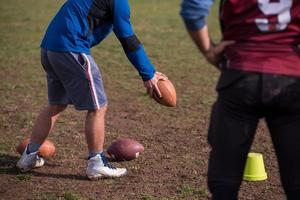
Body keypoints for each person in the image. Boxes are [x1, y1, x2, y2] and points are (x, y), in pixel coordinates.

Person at [16, 0, 167, 180]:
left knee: (56, 105)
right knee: (97, 107)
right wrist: (148, 74)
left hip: (49, 49)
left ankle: (28, 156)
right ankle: (97, 163)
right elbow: (127, 38)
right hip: (72, 49)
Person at [180, 0, 300, 199]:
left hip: (240, 77)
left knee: (224, 184)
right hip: (290, 78)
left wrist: (209, 50)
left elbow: (193, 9)